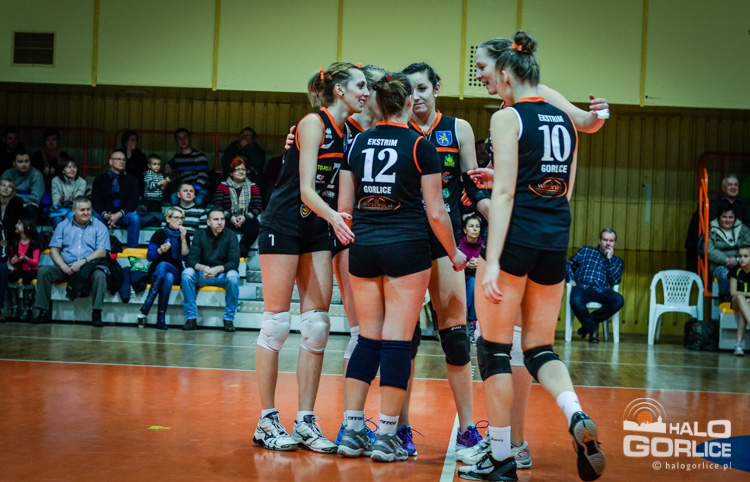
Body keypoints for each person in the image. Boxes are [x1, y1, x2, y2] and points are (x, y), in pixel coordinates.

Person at [458, 32, 605, 481]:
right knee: (540, 348)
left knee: (494, 350)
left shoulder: (507, 117)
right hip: (554, 240)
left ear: (506, 75)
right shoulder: (563, 120)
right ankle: (576, 414)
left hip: (516, 241)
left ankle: (502, 458)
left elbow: (504, 195)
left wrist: (493, 261)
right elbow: (562, 189)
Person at [336, 71, 466, 462]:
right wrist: (454, 252)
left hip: (364, 248)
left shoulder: (357, 143)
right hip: (407, 249)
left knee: (367, 338)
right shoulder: (421, 146)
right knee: (396, 341)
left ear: (377, 103)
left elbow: (344, 209)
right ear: (408, 102)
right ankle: (387, 435)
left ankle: (352, 430)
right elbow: (437, 213)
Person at [253, 62, 367, 454]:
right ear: (339, 90)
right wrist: (336, 217)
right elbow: (306, 190)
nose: (365, 93)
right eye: (360, 85)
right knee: (276, 325)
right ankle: (266, 420)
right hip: (284, 224)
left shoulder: (351, 131)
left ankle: (305, 421)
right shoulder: (312, 123)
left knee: (317, 326)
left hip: (316, 226)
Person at [401, 61, 491, 453]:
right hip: (403, 239)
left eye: (422, 88)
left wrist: (492, 211)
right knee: (403, 339)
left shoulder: (459, 129)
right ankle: (400, 427)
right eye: (409, 90)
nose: (416, 97)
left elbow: (473, 184)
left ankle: (468, 429)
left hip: (446, 239)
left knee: (455, 337)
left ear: (437, 88)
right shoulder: (396, 127)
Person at [31, 196, 111, 326]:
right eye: (82, 210)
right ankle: (43, 312)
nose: (86, 212)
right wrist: (63, 266)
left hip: (89, 267)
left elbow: (102, 252)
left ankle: (97, 313)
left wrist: (82, 262)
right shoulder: (62, 226)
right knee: (44, 271)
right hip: (66, 266)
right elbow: (53, 251)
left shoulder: (100, 226)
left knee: (100, 275)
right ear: (74, 211)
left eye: (88, 209)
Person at [181, 209, 240, 332]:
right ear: (208, 222)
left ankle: (229, 319)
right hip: (204, 274)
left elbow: (234, 262)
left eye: (222, 219)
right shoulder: (199, 234)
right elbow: (191, 260)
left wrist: (217, 269)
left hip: (222, 275)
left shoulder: (231, 235)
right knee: (187, 274)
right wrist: (204, 268)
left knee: (233, 276)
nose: (220, 222)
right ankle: (191, 318)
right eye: (216, 219)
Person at [566, 229, 625, 343]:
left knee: (619, 300)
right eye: (605, 240)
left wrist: (609, 260)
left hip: (601, 290)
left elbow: (615, 281)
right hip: (582, 287)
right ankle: (593, 329)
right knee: (575, 300)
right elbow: (569, 264)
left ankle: (587, 327)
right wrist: (571, 279)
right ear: (599, 241)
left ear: (615, 243)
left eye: (611, 241)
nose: (608, 243)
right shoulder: (586, 251)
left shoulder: (617, 261)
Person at [137, 207, 190, 330]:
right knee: (168, 278)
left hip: (176, 270)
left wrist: (183, 239)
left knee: (164, 266)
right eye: (177, 218)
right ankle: (161, 319)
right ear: (168, 219)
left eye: (182, 218)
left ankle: (148, 303)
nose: (180, 221)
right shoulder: (159, 234)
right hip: (157, 273)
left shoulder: (184, 235)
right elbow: (150, 257)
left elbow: (186, 258)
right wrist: (160, 250)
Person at [685, 174, 749, 273]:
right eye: (730, 185)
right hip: (718, 255)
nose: (733, 187)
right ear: (723, 187)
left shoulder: (746, 206)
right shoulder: (711, 205)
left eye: (736, 185)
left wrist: (737, 259)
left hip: (741, 255)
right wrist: (727, 260)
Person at [91, 149, 141, 248]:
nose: (122, 162)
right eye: (118, 159)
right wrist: (105, 214)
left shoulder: (132, 180)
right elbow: (95, 202)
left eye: (124, 160)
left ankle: (133, 251)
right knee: (94, 218)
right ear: (110, 161)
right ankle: (98, 249)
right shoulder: (100, 179)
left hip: (123, 216)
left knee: (135, 218)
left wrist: (118, 214)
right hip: (105, 216)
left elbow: (133, 202)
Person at [213, 157, 262, 257]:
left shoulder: (252, 186)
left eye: (243, 169)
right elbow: (218, 205)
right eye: (238, 169)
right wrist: (230, 217)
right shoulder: (223, 185)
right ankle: (225, 252)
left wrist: (245, 217)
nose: (241, 172)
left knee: (254, 227)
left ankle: (241, 252)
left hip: (246, 217)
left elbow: (258, 207)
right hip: (227, 217)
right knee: (220, 224)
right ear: (231, 173)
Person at [708, 207, 750, 300]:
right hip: (719, 265)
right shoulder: (711, 231)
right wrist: (726, 260)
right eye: (724, 217)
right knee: (724, 274)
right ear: (719, 218)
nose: (727, 220)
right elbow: (709, 250)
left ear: (735, 218)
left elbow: (748, 246)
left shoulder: (743, 229)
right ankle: (727, 300)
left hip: (742, 263)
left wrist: (737, 259)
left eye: (731, 217)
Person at [166, 128, 210, 207]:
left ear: (189, 138)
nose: (183, 140)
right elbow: (170, 163)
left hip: (200, 188)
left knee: (198, 201)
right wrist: (167, 165)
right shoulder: (177, 157)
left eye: (185, 137)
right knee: (173, 198)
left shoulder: (199, 155)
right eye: (179, 138)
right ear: (176, 141)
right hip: (185, 188)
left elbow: (203, 176)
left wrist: (193, 191)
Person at [8, 218, 40, 321]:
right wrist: (14, 260)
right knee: (11, 276)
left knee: (27, 278)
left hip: (31, 268)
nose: (16, 225)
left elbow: (35, 262)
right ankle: (14, 307)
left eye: (19, 224)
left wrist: (25, 258)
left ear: (28, 227)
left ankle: (27, 309)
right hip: (20, 267)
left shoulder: (34, 244)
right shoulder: (15, 243)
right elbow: (13, 259)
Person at [221, 127, 266, 196]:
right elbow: (226, 164)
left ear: (253, 139)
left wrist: (246, 148)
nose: (244, 138)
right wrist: (248, 166)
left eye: (248, 136)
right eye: (242, 135)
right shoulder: (231, 148)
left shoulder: (259, 151)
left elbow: (258, 163)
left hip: (251, 180)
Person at [1, 151, 44, 222]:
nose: (24, 164)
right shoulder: (7, 173)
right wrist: (19, 200)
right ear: (14, 163)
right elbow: (1, 193)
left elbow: (36, 198)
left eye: (26, 161)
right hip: (10, 203)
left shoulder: (36, 174)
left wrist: (12, 195)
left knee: (31, 208)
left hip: (29, 206)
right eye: (20, 162)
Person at [460, 215, 483, 340]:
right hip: (461, 278)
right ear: (465, 230)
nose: (475, 229)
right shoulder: (459, 245)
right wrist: (467, 265)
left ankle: (467, 320)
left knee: (474, 284)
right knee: (473, 284)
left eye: (477, 226)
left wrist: (481, 264)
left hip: (480, 279)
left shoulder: (484, 246)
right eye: (471, 226)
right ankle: (471, 323)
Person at [31, 128, 71, 194]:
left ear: (58, 141)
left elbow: (69, 173)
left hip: (60, 188)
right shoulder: (38, 155)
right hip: (40, 188)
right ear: (44, 142)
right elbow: (33, 173)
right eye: (48, 140)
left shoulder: (64, 156)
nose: (51, 142)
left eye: (53, 140)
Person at [50, 159, 87, 227]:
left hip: (74, 210)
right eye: (69, 167)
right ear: (63, 170)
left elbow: (78, 202)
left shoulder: (82, 182)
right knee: (57, 220)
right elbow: (55, 202)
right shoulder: (55, 181)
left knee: (73, 218)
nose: (72, 169)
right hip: (59, 210)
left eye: (74, 167)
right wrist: (61, 200)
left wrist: (72, 201)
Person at [729, 245, 750, 356]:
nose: (742, 259)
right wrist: (748, 294)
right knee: (741, 298)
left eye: (745, 256)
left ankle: (738, 345)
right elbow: (733, 292)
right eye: (740, 256)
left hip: (748, 303)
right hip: (735, 301)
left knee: (744, 308)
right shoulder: (735, 270)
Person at [122, 131, 148, 195]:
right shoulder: (120, 154)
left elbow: (142, 172)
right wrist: (128, 154)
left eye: (136, 140)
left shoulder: (141, 155)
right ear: (126, 142)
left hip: (136, 183)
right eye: (132, 140)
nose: (135, 142)